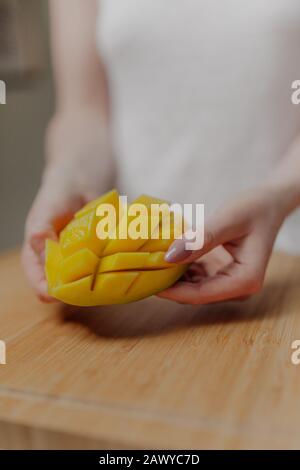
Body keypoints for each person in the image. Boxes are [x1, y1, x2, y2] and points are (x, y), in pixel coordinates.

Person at [22, 0, 300, 305]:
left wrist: (279, 195)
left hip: (287, 263)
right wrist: (68, 177)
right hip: (136, 270)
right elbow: (84, 111)